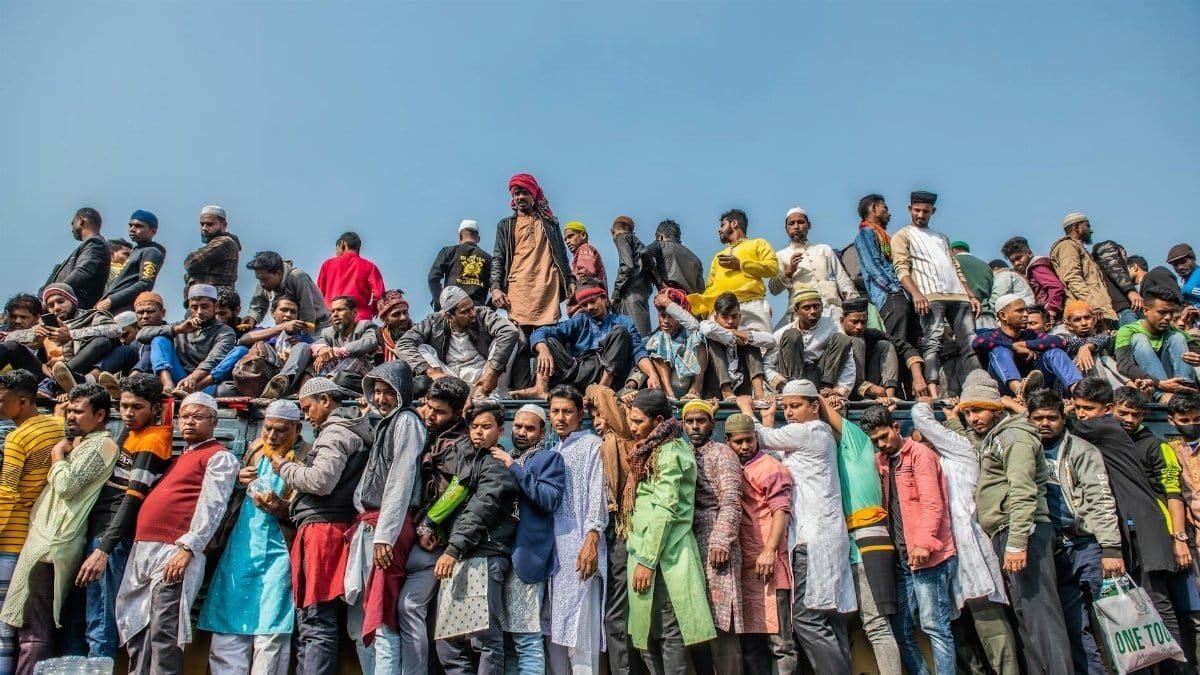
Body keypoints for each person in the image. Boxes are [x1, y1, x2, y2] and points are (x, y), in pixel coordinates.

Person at [947, 370, 1072, 673]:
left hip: (1024, 533)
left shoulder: (1014, 436)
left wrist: (1017, 543)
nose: (972, 418)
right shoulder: (995, 437)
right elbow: (973, 445)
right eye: (968, 412)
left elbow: (1023, 491)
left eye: (978, 410)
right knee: (1026, 617)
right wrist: (954, 419)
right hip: (1007, 533)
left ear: (995, 408)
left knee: (1042, 618)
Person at [1070, 377, 1191, 667]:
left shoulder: (1106, 427)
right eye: (1078, 407)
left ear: (1107, 409)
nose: (1082, 414)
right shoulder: (1106, 429)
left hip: (1145, 529)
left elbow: (1061, 423)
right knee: (1143, 608)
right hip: (1133, 528)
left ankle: (1180, 669)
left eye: (1088, 408)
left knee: (1158, 604)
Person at [115, 391, 238, 674]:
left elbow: (213, 506)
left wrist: (188, 549)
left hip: (174, 551)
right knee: (138, 627)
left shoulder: (219, 457)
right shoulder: (179, 458)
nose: (189, 422)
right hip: (144, 550)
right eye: (184, 417)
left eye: (198, 417)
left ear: (214, 421)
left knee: (165, 628)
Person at [738, 380, 856, 673]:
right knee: (831, 618)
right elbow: (775, 454)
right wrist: (769, 416)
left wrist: (745, 407)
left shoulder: (808, 431)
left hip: (811, 539)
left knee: (806, 619)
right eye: (786, 407)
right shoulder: (819, 435)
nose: (789, 412)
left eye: (795, 406)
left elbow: (761, 437)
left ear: (814, 406)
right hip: (828, 536)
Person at [1, 384, 116, 674]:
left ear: (100, 415)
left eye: (79, 412)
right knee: (30, 626)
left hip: (52, 545)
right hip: (44, 541)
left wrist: (57, 456)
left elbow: (67, 486)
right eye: (69, 411)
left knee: (35, 630)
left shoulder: (102, 446)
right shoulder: (81, 442)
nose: (71, 417)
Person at [198, 399, 309, 675]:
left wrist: (282, 508)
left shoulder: (308, 457)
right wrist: (239, 479)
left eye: (281, 430)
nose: (272, 436)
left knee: (271, 632)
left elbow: (312, 511)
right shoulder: (256, 449)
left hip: (279, 552)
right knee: (229, 627)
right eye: (267, 428)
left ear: (298, 429)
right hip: (241, 548)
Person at [908, 398, 1017, 675]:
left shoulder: (960, 455)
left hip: (972, 555)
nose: (921, 448)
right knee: (959, 642)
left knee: (994, 633)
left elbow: (921, 419)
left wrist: (925, 403)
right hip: (942, 563)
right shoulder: (917, 472)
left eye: (925, 441)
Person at [67, 373, 172, 660]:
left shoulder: (152, 442)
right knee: (80, 618)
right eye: (124, 406)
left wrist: (104, 549)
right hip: (99, 532)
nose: (127, 413)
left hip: (111, 539)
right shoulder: (134, 433)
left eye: (137, 407)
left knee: (100, 620)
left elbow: (132, 499)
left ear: (155, 408)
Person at [275, 377, 372, 675]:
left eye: (308, 408)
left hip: (324, 530)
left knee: (316, 620)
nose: (306, 417)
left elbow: (321, 481)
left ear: (326, 401)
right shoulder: (349, 429)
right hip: (327, 528)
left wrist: (285, 467)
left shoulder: (335, 431)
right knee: (313, 619)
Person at [1024, 388, 1124, 675]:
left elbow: (1101, 500)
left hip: (1086, 545)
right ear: (1028, 419)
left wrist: (1111, 548)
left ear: (1063, 418)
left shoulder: (1081, 450)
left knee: (1117, 619)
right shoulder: (1024, 450)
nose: (1044, 423)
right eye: (1038, 418)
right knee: (1075, 627)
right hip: (1053, 552)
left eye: (1051, 418)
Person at [624, 390, 716, 674]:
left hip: (665, 559)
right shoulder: (651, 449)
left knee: (667, 635)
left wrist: (647, 561)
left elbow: (665, 510)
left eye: (638, 421)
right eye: (631, 420)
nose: (632, 427)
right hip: (645, 555)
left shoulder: (671, 452)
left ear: (659, 421)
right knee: (647, 637)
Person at [860, 404, 957, 675]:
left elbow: (932, 503)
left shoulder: (919, 455)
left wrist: (924, 543)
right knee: (901, 629)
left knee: (935, 626)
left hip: (929, 557)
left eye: (884, 437)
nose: (882, 444)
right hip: (903, 559)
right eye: (876, 440)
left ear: (896, 427)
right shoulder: (881, 460)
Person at [1113, 386, 1200, 668]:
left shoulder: (1156, 446)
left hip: (1164, 537)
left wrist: (1179, 538)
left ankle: (1181, 667)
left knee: (1176, 608)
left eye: (1136, 414)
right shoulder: (1109, 441)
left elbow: (1173, 493)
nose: (1129, 419)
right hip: (1131, 538)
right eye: (1123, 413)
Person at [431, 401, 518, 675]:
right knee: (447, 640)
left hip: (484, 555)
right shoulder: (470, 461)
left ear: (500, 431)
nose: (478, 432)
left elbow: (481, 509)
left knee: (485, 639)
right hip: (463, 554)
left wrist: (452, 549)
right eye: (474, 426)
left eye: (486, 427)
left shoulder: (496, 467)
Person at [348, 361, 423, 674]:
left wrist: (384, 536)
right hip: (371, 525)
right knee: (361, 622)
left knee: (382, 619)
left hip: (387, 528)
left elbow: (400, 480)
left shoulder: (406, 421)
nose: (380, 398)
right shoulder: (386, 423)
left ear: (402, 392)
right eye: (376, 392)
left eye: (388, 392)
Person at [490, 403, 564, 675]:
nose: (521, 432)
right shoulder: (504, 456)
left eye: (529, 428)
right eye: (518, 426)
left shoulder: (548, 459)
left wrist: (514, 468)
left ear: (542, 432)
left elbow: (549, 499)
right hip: (500, 556)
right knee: (507, 640)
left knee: (527, 639)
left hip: (526, 559)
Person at [0, 371, 65, 674]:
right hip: (38, 533)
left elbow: (6, 492)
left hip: (10, 539)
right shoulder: (55, 426)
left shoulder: (17, 438)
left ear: (23, 401)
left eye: (2, 400)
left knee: (4, 625)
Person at [890, 191, 982, 397]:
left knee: (970, 344)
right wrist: (917, 294)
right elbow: (901, 269)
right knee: (933, 343)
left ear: (933, 211)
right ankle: (933, 391)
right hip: (930, 296)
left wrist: (971, 295)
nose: (921, 215)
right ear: (909, 209)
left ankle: (977, 388)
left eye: (926, 211)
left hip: (958, 296)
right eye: (917, 210)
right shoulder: (902, 235)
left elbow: (955, 268)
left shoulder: (941, 237)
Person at [541, 387, 606, 674]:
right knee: (555, 633)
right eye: (555, 411)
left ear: (581, 414)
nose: (560, 417)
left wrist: (592, 538)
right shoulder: (552, 451)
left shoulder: (592, 445)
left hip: (581, 548)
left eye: (567, 411)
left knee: (581, 632)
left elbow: (597, 494)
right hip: (555, 552)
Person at [490, 173, 574, 389]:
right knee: (520, 343)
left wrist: (570, 280)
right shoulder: (505, 225)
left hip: (546, 289)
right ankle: (521, 390)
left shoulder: (550, 223)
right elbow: (498, 257)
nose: (520, 197)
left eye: (525, 192)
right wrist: (496, 288)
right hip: (518, 290)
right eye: (516, 193)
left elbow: (562, 255)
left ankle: (543, 388)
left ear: (534, 195)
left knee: (547, 341)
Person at [584, 384, 644, 675]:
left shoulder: (619, 438)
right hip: (613, 534)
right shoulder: (611, 440)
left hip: (622, 532)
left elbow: (597, 389)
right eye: (593, 418)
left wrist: (620, 396)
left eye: (601, 415)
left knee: (616, 615)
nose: (597, 422)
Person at [723, 411, 789, 675]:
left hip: (771, 566)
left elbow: (781, 511)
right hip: (745, 569)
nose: (744, 446)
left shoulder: (771, 468)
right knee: (751, 644)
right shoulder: (732, 469)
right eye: (738, 442)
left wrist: (770, 551)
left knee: (780, 644)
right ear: (728, 441)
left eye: (749, 440)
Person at [680, 400, 743, 674]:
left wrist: (721, 541)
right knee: (697, 624)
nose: (695, 426)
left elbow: (731, 500)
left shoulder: (722, 453)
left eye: (701, 421)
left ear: (712, 424)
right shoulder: (683, 453)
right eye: (690, 421)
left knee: (722, 623)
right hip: (690, 548)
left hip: (718, 547)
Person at [515, 285, 658, 400]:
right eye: (584, 304)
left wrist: (652, 374)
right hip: (579, 372)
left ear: (604, 299)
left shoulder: (623, 321)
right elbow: (540, 332)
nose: (589, 307)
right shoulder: (580, 320)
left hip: (607, 374)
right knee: (548, 341)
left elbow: (639, 352)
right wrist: (543, 350)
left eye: (593, 301)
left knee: (620, 332)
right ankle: (541, 388)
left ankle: (600, 392)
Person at [395, 285, 520, 400]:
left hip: (488, 378)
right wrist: (432, 373)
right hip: (452, 380)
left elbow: (509, 331)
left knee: (510, 339)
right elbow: (403, 344)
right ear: (449, 316)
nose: (473, 314)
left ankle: (489, 393)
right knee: (422, 348)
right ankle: (450, 390)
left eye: (472, 308)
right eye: (465, 311)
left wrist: (491, 373)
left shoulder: (482, 314)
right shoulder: (434, 321)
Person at [855, 194, 922, 383]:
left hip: (901, 295)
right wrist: (895, 288)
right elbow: (873, 266)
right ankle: (896, 385)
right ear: (873, 208)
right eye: (884, 208)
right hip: (890, 295)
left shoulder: (883, 235)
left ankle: (910, 385)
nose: (889, 213)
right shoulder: (866, 233)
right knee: (899, 341)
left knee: (910, 339)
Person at [136, 284, 237, 397]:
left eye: (205, 306)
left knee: (241, 350)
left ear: (215, 306)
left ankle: (192, 389)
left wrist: (192, 379)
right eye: (194, 307)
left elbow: (212, 361)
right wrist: (178, 329)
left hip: (204, 383)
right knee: (159, 339)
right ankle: (168, 385)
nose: (199, 311)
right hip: (178, 380)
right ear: (189, 307)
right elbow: (141, 335)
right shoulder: (182, 326)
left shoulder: (225, 332)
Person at [972, 294, 1083, 396]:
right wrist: (1013, 347)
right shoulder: (992, 335)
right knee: (1000, 350)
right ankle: (1020, 391)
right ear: (1003, 315)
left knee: (1054, 352)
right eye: (1019, 311)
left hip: (1037, 386)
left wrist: (1025, 344)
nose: (1026, 315)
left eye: (1026, 310)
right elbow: (978, 342)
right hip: (1006, 392)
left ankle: (1079, 391)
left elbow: (1059, 341)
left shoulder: (1031, 334)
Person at [688, 209, 778, 332]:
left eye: (722, 225)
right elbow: (710, 287)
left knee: (761, 343)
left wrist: (740, 265)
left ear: (734, 223)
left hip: (750, 304)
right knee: (715, 343)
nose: (719, 230)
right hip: (720, 310)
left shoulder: (758, 244)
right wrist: (707, 311)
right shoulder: (718, 256)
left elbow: (772, 268)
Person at [23, 284, 120, 397]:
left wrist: (71, 334)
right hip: (53, 370)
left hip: (86, 368)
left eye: (60, 301)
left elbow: (116, 329)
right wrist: (35, 338)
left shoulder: (91, 316)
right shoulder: (45, 326)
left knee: (102, 342)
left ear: (72, 301)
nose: (56, 307)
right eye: (51, 305)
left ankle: (54, 383)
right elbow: (17, 337)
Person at [769, 207, 858, 324]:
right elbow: (773, 289)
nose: (796, 226)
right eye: (791, 223)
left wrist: (856, 306)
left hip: (832, 311)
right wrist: (789, 272)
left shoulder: (824, 249)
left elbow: (842, 280)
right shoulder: (781, 255)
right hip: (801, 316)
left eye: (801, 222)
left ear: (809, 225)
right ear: (786, 229)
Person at [764, 287, 855, 398]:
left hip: (820, 377)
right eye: (806, 308)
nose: (813, 311)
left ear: (822, 307)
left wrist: (840, 390)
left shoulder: (832, 326)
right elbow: (767, 365)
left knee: (842, 339)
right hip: (791, 382)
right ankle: (797, 386)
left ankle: (825, 388)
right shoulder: (782, 332)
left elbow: (848, 359)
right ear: (796, 310)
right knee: (791, 335)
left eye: (816, 306)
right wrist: (783, 386)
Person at [1115, 287, 1200, 399]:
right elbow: (1124, 365)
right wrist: (1159, 383)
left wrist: (1198, 358)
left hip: (1176, 383)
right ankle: (1162, 396)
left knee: (1177, 337)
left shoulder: (1174, 332)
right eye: (1162, 312)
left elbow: (1196, 349)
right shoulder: (1127, 330)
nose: (1168, 317)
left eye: (1171, 312)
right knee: (1139, 338)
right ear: (1145, 311)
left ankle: (1186, 392)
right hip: (1151, 386)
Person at [235, 294, 317, 398]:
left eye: (293, 312)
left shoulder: (303, 339)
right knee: (224, 389)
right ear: (273, 313)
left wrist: (298, 349)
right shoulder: (263, 332)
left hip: (292, 384)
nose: (288, 315)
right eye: (284, 310)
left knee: (303, 347)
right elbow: (243, 340)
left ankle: (278, 385)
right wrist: (282, 327)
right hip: (262, 378)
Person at [698, 292, 774, 403]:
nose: (730, 321)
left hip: (742, 390)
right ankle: (726, 391)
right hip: (715, 390)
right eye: (725, 317)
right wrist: (732, 336)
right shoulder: (709, 326)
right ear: (716, 318)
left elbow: (771, 341)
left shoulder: (743, 330)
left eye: (734, 317)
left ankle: (759, 393)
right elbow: (707, 330)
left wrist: (743, 336)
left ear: (740, 316)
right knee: (713, 341)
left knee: (752, 341)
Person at [841, 296, 916, 401]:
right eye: (854, 322)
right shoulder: (835, 338)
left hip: (873, 389)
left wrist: (918, 378)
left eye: (863, 322)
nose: (859, 327)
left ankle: (890, 398)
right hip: (844, 389)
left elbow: (905, 347)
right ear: (842, 320)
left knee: (885, 345)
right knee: (857, 342)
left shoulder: (871, 334)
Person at [1050, 213, 1118, 324]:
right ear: (1077, 227)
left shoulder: (1080, 249)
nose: (1091, 231)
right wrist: (1093, 305)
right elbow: (1072, 278)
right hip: (1086, 315)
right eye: (1087, 226)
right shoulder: (1067, 246)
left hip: (1100, 312)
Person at [97, 210, 166, 315]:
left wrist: (111, 300)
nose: (132, 229)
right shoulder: (135, 251)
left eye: (139, 226)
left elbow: (145, 283)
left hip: (123, 310)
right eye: (130, 225)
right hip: (111, 308)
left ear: (153, 231)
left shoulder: (151, 252)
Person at [245, 250, 331, 331]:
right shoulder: (265, 280)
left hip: (318, 327)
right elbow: (258, 304)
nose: (262, 284)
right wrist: (252, 318)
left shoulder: (297, 277)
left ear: (278, 273)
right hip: (293, 329)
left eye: (264, 279)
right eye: (259, 279)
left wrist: (303, 338)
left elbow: (307, 311)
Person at [309, 296, 380, 393]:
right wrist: (323, 350)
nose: (335, 314)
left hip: (364, 376)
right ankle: (309, 385)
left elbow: (370, 341)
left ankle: (327, 386)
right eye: (332, 311)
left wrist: (337, 351)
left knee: (353, 356)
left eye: (340, 310)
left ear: (354, 312)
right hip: (341, 377)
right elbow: (318, 343)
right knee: (321, 359)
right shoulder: (329, 332)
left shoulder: (365, 325)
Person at [645, 289, 707, 401]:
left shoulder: (690, 333)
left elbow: (696, 327)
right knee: (659, 339)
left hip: (688, 382)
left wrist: (667, 303)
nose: (666, 321)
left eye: (671, 316)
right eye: (663, 316)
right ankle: (669, 394)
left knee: (698, 337)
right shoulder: (651, 339)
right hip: (665, 387)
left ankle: (695, 389)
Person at [44, 208, 109, 311]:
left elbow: (83, 272)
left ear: (81, 220)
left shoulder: (95, 243)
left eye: (73, 223)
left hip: (77, 307)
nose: (72, 229)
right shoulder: (87, 246)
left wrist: (54, 294)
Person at [317, 231, 385, 322]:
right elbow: (379, 294)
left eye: (336, 249)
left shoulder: (328, 264)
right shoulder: (370, 267)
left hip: (333, 319)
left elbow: (318, 294)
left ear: (341, 244)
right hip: (360, 319)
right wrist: (372, 310)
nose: (336, 252)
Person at [1052, 299, 1122, 385]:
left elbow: (1107, 341)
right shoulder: (1060, 336)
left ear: (1094, 320)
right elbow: (1070, 343)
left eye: (1087, 318)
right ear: (1069, 325)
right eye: (1077, 319)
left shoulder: (1102, 336)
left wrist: (1088, 346)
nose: (1084, 323)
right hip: (1071, 385)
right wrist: (1087, 346)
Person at [1001, 236, 1066, 323]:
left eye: (1018, 258)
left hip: (1052, 317)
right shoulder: (1028, 271)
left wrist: (1051, 310)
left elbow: (1056, 287)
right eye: (1012, 261)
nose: (1016, 263)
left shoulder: (1037, 266)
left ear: (1029, 253)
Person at [427, 220, 491, 309]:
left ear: (460, 236)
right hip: (477, 311)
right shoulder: (489, 258)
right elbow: (498, 287)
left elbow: (433, 278)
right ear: (478, 239)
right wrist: (488, 309)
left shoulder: (448, 252)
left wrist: (440, 303)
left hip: (453, 308)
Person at [611, 216, 654, 337]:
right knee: (644, 337)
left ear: (612, 231)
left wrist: (616, 294)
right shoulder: (640, 245)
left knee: (634, 336)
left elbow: (627, 266)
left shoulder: (621, 237)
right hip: (642, 296)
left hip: (630, 297)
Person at [183, 205, 241, 293]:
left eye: (210, 224)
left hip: (215, 298)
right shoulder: (220, 243)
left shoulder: (224, 242)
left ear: (224, 225)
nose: (204, 228)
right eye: (202, 224)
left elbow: (190, 263)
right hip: (205, 297)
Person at [1092, 238, 1144, 327]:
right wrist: (1131, 291)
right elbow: (1114, 268)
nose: (1125, 260)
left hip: (1127, 310)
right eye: (1124, 256)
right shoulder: (1107, 246)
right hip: (1123, 309)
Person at [644, 219, 704, 294]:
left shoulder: (660, 245)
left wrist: (659, 283)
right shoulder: (697, 260)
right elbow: (701, 291)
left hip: (670, 296)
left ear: (660, 236)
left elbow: (643, 252)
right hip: (689, 300)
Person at [563, 221, 607, 316]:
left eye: (570, 236)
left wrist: (583, 304)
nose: (567, 241)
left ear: (583, 235)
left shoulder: (585, 248)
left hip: (585, 307)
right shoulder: (577, 256)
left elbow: (585, 276)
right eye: (565, 239)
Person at [950, 240, 996, 328]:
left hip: (965, 317)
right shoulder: (985, 266)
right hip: (988, 317)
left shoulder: (952, 263)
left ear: (952, 250)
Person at [376, 290, 413, 364]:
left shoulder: (420, 332)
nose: (403, 317)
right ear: (385, 318)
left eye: (405, 312)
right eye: (396, 314)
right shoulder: (378, 338)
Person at [1167, 244, 1200, 310]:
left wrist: (1188, 289)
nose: (1180, 267)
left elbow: (1186, 290)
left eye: (1183, 262)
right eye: (1175, 265)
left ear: (1193, 258)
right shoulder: (1185, 280)